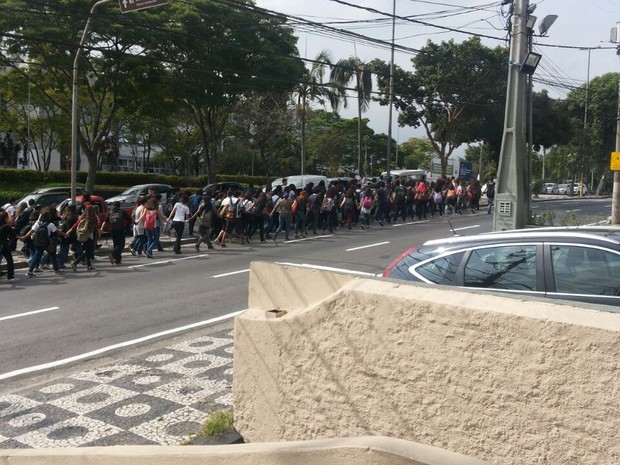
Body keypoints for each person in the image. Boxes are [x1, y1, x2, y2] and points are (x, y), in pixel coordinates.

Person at [19, 209, 63, 277]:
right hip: (46, 242)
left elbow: (31, 231)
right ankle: (56, 269)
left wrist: (24, 237)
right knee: (53, 254)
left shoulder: (37, 223)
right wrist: (65, 234)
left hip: (38, 242)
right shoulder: (50, 224)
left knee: (37, 256)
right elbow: (57, 231)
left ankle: (30, 271)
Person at [68, 205, 99, 271]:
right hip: (90, 236)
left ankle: (89, 265)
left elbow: (76, 225)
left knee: (87, 250)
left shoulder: (82, 217)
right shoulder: (93, 218)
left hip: (83, 236)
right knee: (89, 251)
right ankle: (76, 262)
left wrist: (69, 231)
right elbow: (96, 226)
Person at [101, 201, 131, 265]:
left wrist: (101, 229)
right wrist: (126, 227)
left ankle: (118, 260)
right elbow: (129, 219)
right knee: (121, 245)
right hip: (120, 229)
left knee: (116, 244)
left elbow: (105, 221)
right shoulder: (122, 211)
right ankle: (112, 254)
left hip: (112, 230)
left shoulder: (110, 212)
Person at [0, 211, 16, 281]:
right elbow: (13, 235)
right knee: (9, 260)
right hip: (3, 245)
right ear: (6, 218)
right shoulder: (6, 226)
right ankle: (10, 276)